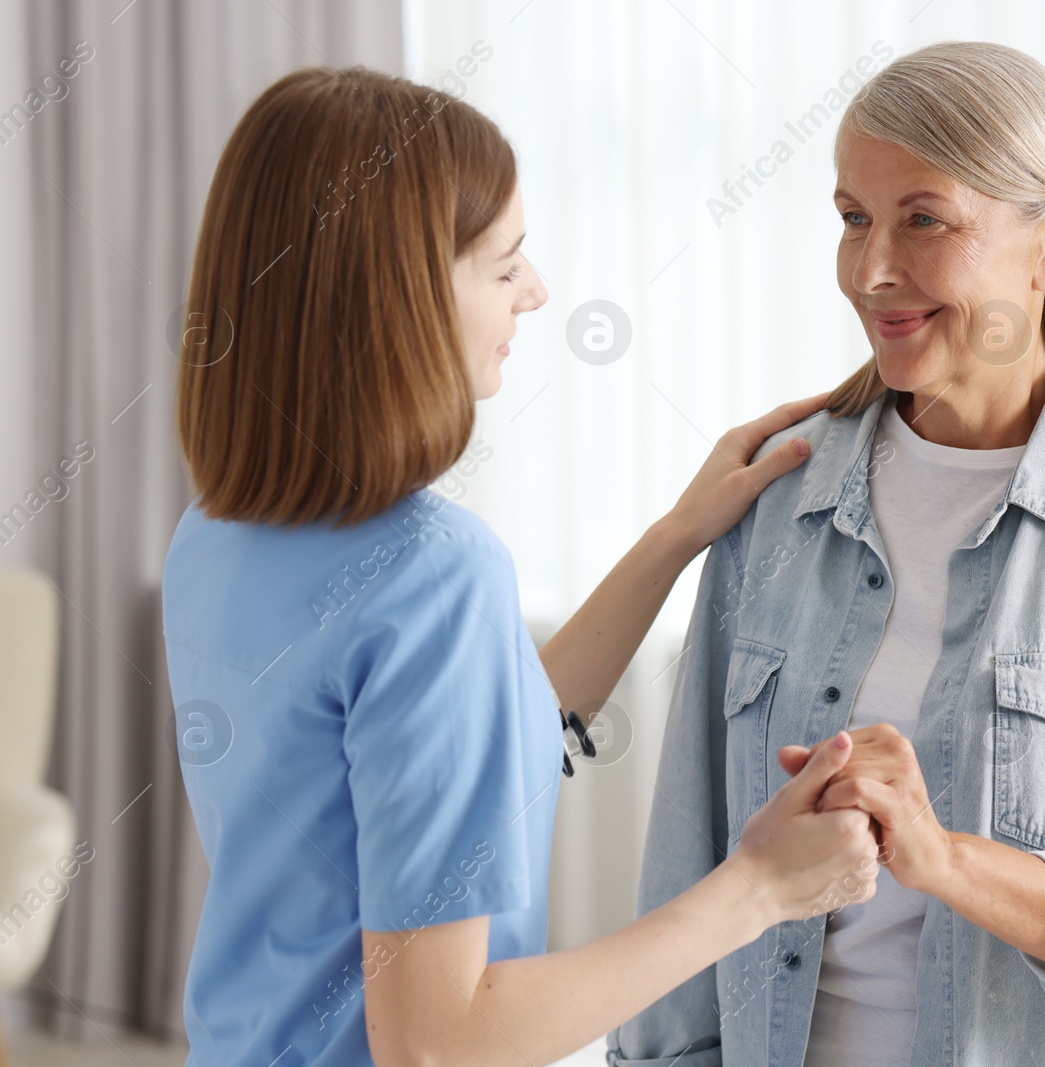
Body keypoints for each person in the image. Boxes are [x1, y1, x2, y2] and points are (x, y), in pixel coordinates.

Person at [161, 66, 879, 1067]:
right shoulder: (433, 574)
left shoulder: (217, 531)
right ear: (397, 298)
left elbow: (471, 737)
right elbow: (436, 1039)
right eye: (504, 265)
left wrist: (674, 535)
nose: (535, 292)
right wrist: (755, 889)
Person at [613, 41, 1045, 1067]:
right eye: (852, 218)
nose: (872, 268)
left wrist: (947, 860)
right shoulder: (778, 496)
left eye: (922, 218)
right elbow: (686, 860)